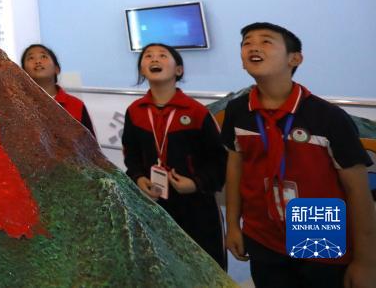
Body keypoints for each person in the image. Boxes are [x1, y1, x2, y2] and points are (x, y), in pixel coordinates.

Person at [222, 23, 375, 288]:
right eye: (247, 43)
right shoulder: (237, 110)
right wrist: (233, 225)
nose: (253, 47)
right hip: (262, 229)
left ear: (294, 59)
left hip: (316, 222)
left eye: (266, 41)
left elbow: (358, 192)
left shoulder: (327, 116)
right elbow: (235, 167)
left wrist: (367, 261)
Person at [122, 43, 227, 269]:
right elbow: (131, 155)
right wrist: (138, 178)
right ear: (141, 70)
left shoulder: (196, 112)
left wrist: (196, 183)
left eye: (162, 55)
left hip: (196, 207)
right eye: (148, 56)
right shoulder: (135, 111)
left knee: (203, 268)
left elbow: (219, 162)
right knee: (160, 268)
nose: (154, 59)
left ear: (178, 70)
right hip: (152, 203)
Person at [20, 44, 95, 135]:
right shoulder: (18, 105)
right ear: (22, 73)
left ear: (57, 69)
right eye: (31, 58)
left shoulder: (76, 105)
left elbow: (90, 142)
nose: (37, 61)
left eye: (43, 56)